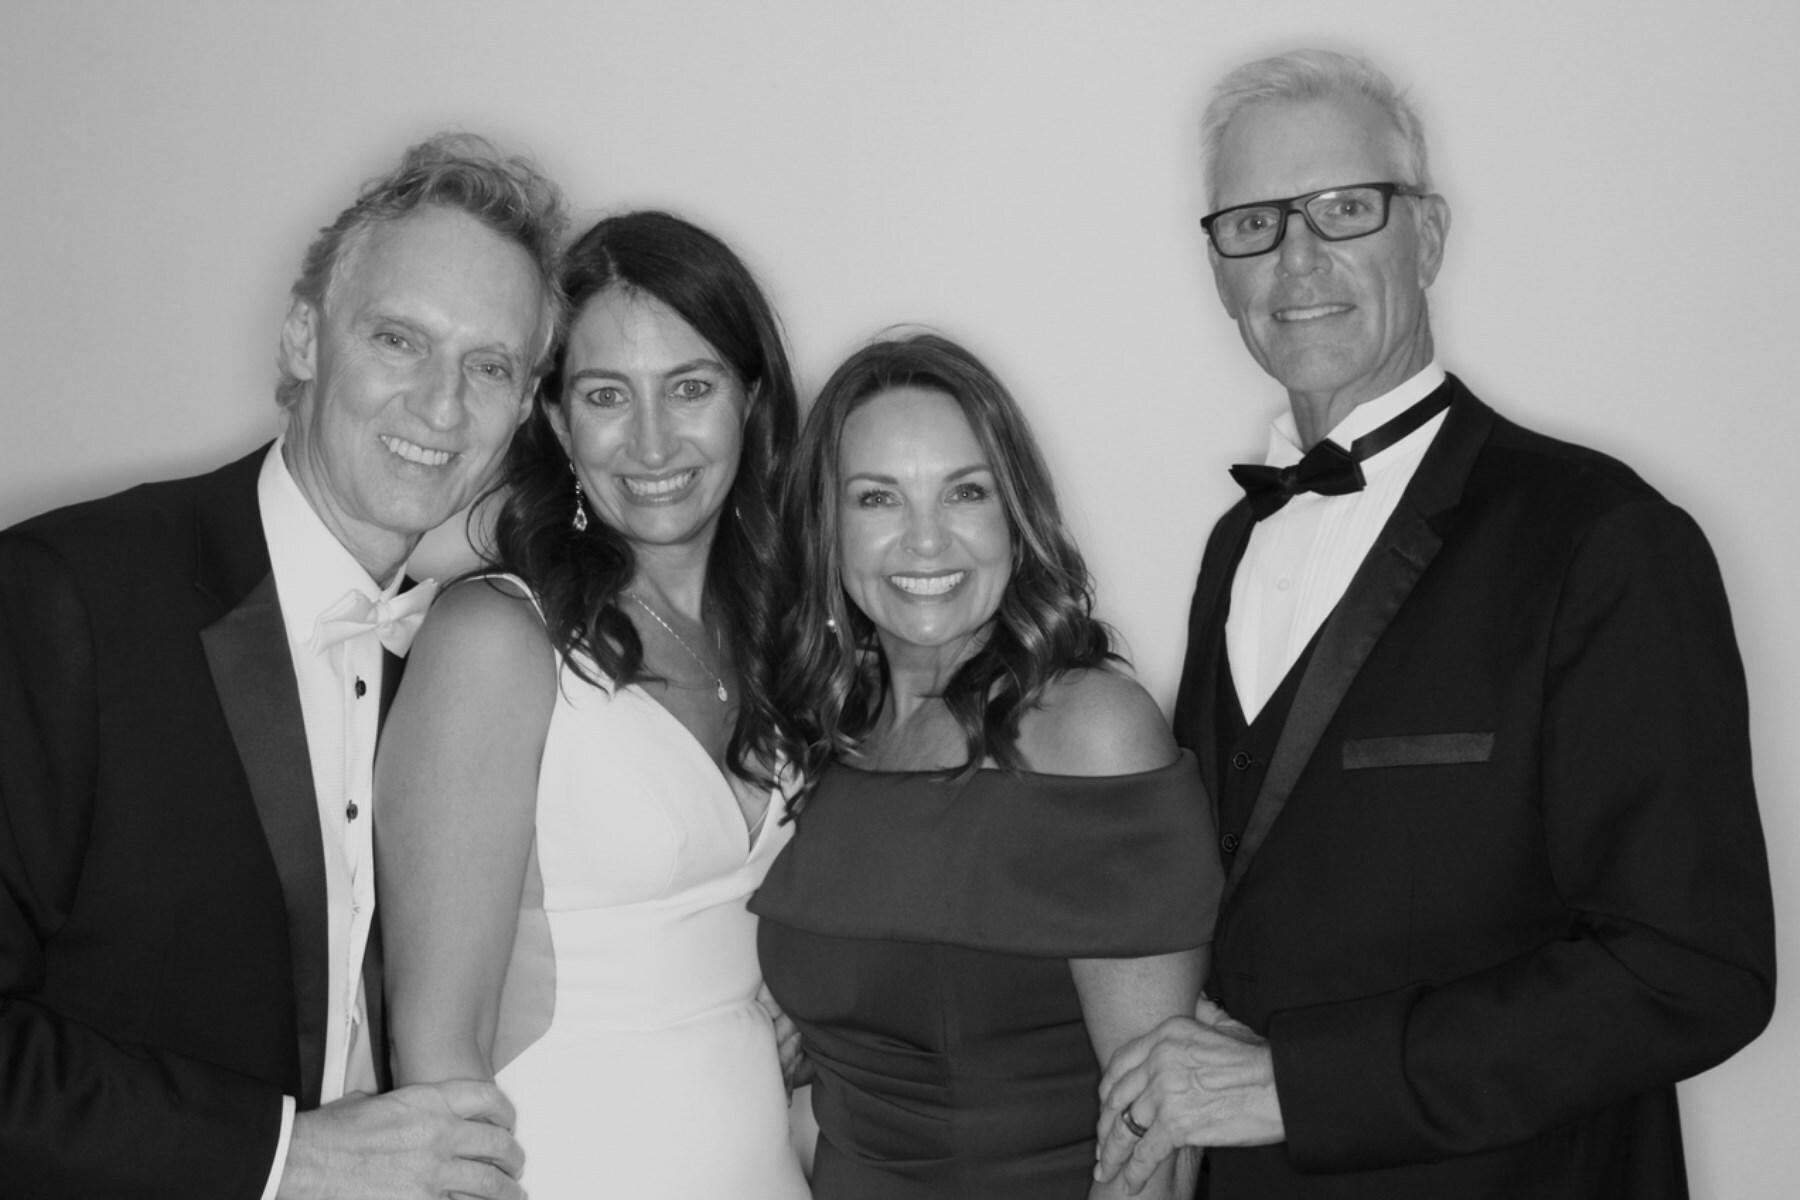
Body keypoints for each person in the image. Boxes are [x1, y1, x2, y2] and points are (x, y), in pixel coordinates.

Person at [1092, 48, 1776, 1199]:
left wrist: (1301, 1086)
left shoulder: (1603, 539)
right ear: (1219, 269)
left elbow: (1691, 969)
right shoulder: (1233, 547)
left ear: (1429, 236)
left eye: (1345, 208)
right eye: (1255, 223)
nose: (1297, 258)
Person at [0, 133, 564, 1198]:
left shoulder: (462, 654)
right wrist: (280, 1157)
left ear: (525, 407)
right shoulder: (65, 596)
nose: (442, 406)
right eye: (398, 339)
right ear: (305, 338)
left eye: (488, 366)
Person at [374, 210, 811, 1198]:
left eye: (690, 387)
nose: (652, 441)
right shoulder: (495, 640)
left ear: (750, 401)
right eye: (607, 395)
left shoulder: (780, 628)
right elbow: (437, 1050)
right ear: (558, 421)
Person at [750, 332, 1222, 1199]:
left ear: (1016, 516)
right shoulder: (830, 740)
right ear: (828, 529)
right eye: (877, 498)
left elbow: (1156, 1136)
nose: (926, 540)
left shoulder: (1092, 733)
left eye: (965, 492)